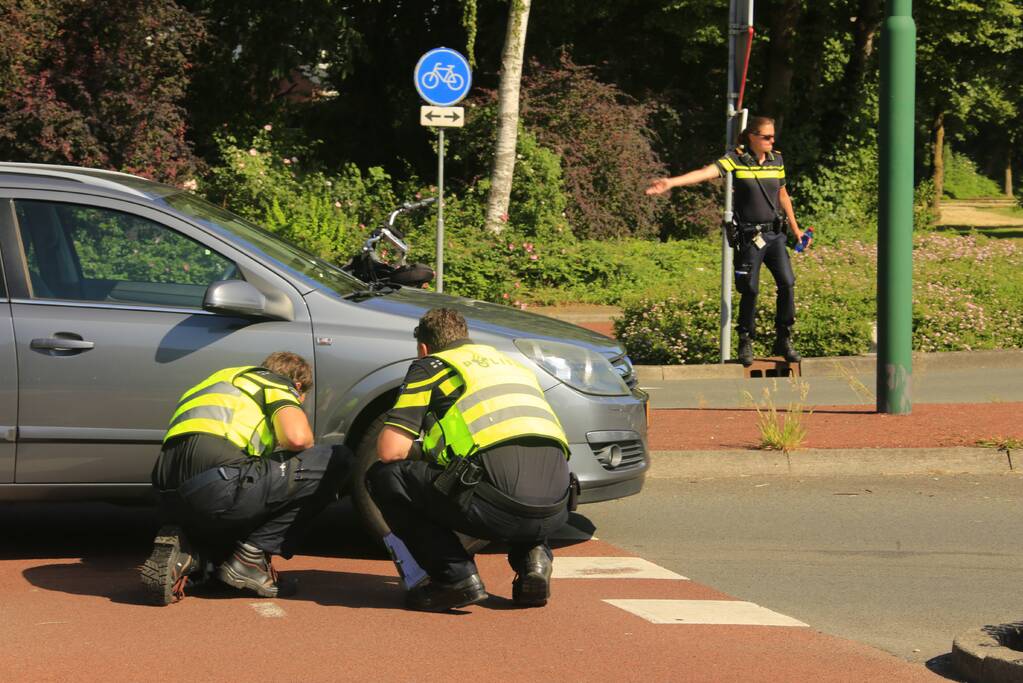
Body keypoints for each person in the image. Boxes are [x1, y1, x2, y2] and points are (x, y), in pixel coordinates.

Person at [367, 308, 573, 612]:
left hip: (498, 508)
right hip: (557, 505)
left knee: (385, 476)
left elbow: (390, 450)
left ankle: (455, 578)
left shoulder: (432, 366)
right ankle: (533, 560)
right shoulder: (512, 365)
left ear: (423, 348)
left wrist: (423, 451)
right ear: (466, 336)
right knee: (514, 477)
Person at [143, 351, 353, 605]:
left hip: (168, 496)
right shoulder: (275, 382)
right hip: (218, 488)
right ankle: (250, 559)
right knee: (336, 460)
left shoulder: (218, 381)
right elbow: (298, 438)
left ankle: (193, 555)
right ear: (298, 387)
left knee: (244, 485)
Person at [646, 116, 810, 366]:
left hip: (775, 235)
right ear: (752, 136)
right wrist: (671, 182)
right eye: (766, 137)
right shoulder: (736, 159)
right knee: (750, 289)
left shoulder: (777, 160)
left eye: (773, 136)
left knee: (787, 283)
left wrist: (797, 231)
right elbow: (705, 173)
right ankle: (746, 339)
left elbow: (783, 195)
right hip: (750, 236)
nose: (771, 140)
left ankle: (784, 338)